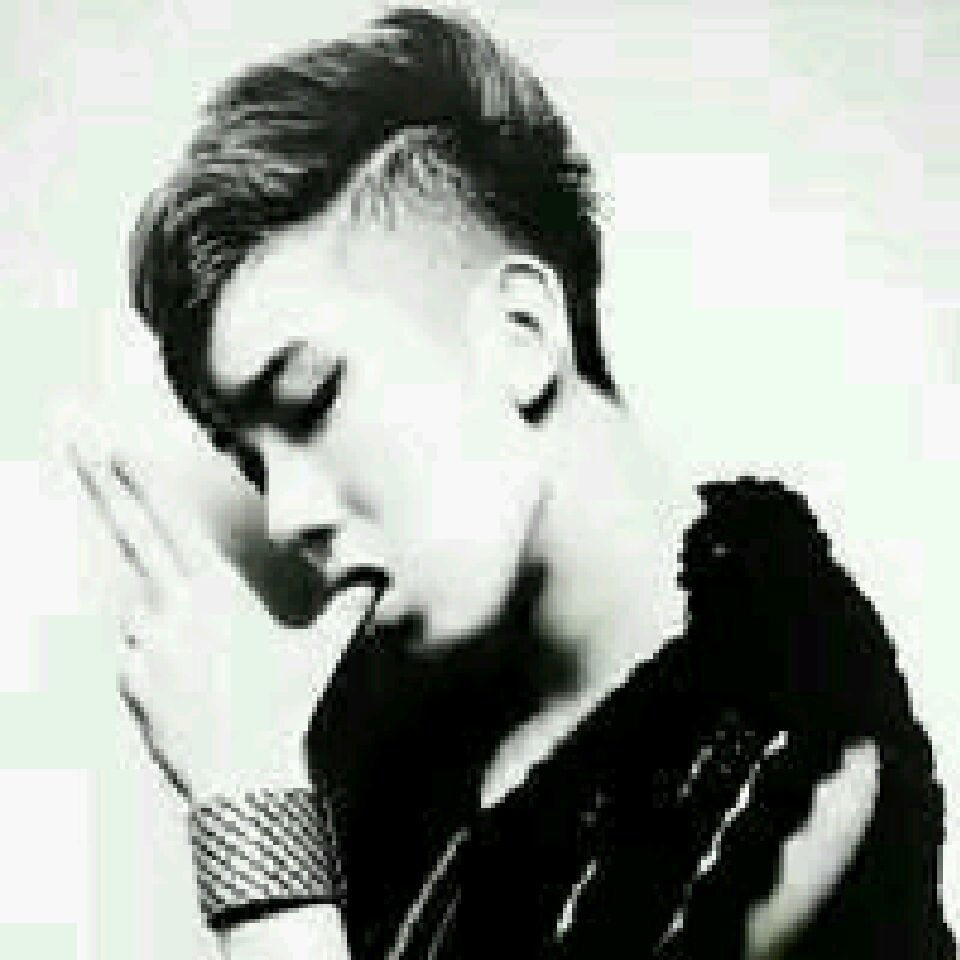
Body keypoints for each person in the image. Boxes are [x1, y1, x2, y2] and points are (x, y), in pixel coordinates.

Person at [74, 7, 953, 958]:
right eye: (251, 464)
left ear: (522, 334)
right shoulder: (407, 730)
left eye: (311, 400)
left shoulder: (796, 757)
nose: (285, 517)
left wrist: (250, 814)